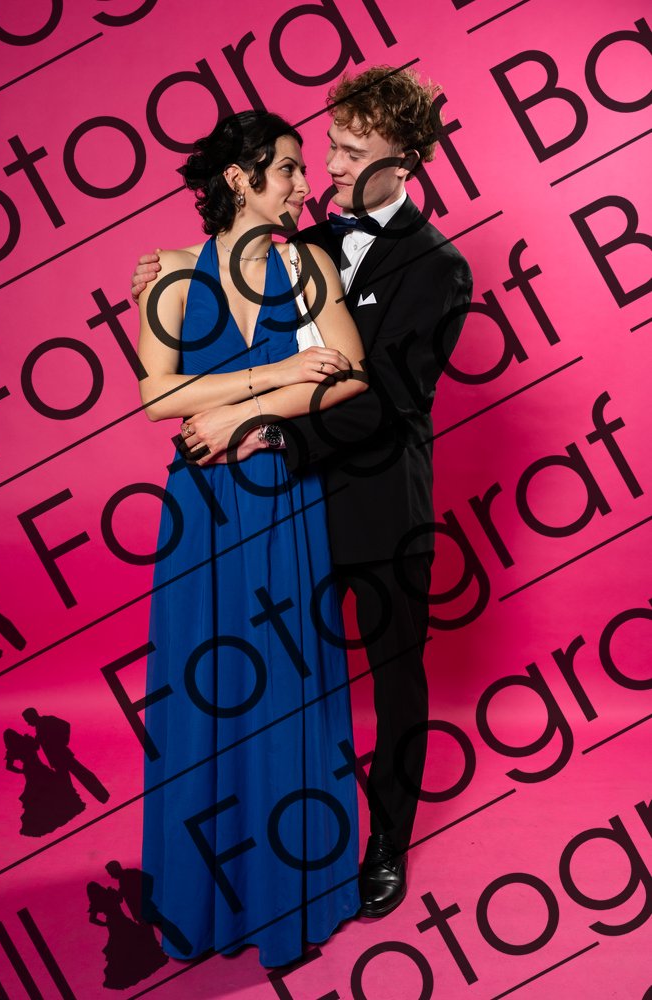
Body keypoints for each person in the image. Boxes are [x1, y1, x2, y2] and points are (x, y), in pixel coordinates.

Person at [132, 66, 474, 921]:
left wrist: (264, 429)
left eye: (353, 151)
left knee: (395, 681)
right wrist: (172, 275)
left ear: (405, 160)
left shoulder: (439, 268)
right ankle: (252, 857)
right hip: (282, 513)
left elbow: (391, 399)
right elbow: (232, 305)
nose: (330, 166)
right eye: (328, 147)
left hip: (377, 507)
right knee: (279, 685)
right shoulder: (300, 242)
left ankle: (385, 843)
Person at [136, 109, 368, 967]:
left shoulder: (307, 264)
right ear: (240, 178)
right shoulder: (169, 274)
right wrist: (276, 372)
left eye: (305, 169)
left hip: (281, 500)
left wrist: (242, 411)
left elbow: (349, 371)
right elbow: (158, 399)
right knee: (207, 690)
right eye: (290, 169)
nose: (306, 184)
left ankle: (289, 895)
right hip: (200, 511)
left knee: (286, 683)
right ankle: (202, 897)